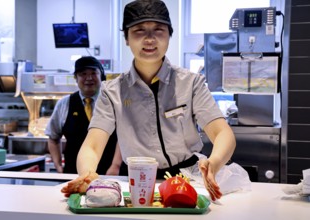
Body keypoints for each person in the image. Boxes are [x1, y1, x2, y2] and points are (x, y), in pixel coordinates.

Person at [61, 0, 236, 201]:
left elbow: (222, 132)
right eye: (139, 30)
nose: (150, 39)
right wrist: (86, 172)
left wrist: (213, 163)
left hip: (188, 179)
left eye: (158, 30)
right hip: (136, 180)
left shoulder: (191, 83)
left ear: (170, 35)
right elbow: (93, 144)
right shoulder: (112, 91)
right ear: (126, 38)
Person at [45, 56, 119, 175]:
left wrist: (116, 166)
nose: (89, 78)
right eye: (83, 74)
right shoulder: (64, 104)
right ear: (76, 78)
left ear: (101, 76)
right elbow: (53, 138)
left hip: (109, 174)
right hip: (74, 175)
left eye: (93, 73)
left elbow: (122, 138)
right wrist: (58, 165)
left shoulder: (113, 102)